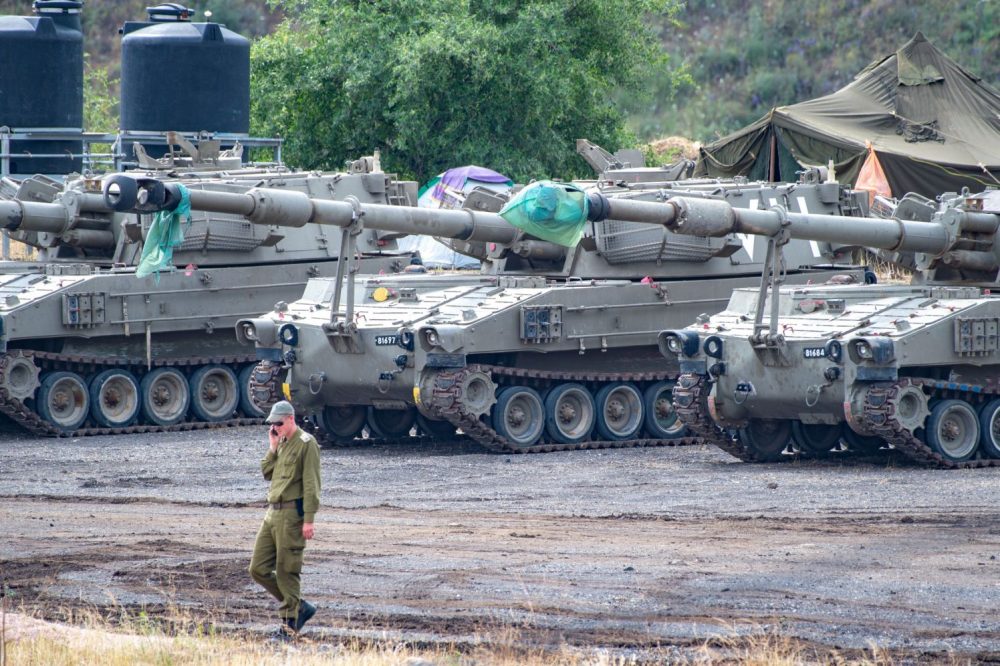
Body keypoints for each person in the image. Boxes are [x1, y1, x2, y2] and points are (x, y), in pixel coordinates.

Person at [248, 400, 321, 638]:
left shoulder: (306, 444)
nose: (275, 427)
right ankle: (298, 606)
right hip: (272, 513)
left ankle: (288, 627)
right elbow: (266, 473)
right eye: (272, 424)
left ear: (291, 419)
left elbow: (311, 484)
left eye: (278, 423)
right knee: (257, 568)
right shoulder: (282, 442)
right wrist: (272, 446)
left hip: (291, 515)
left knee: (286, 569)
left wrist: (308, 519)